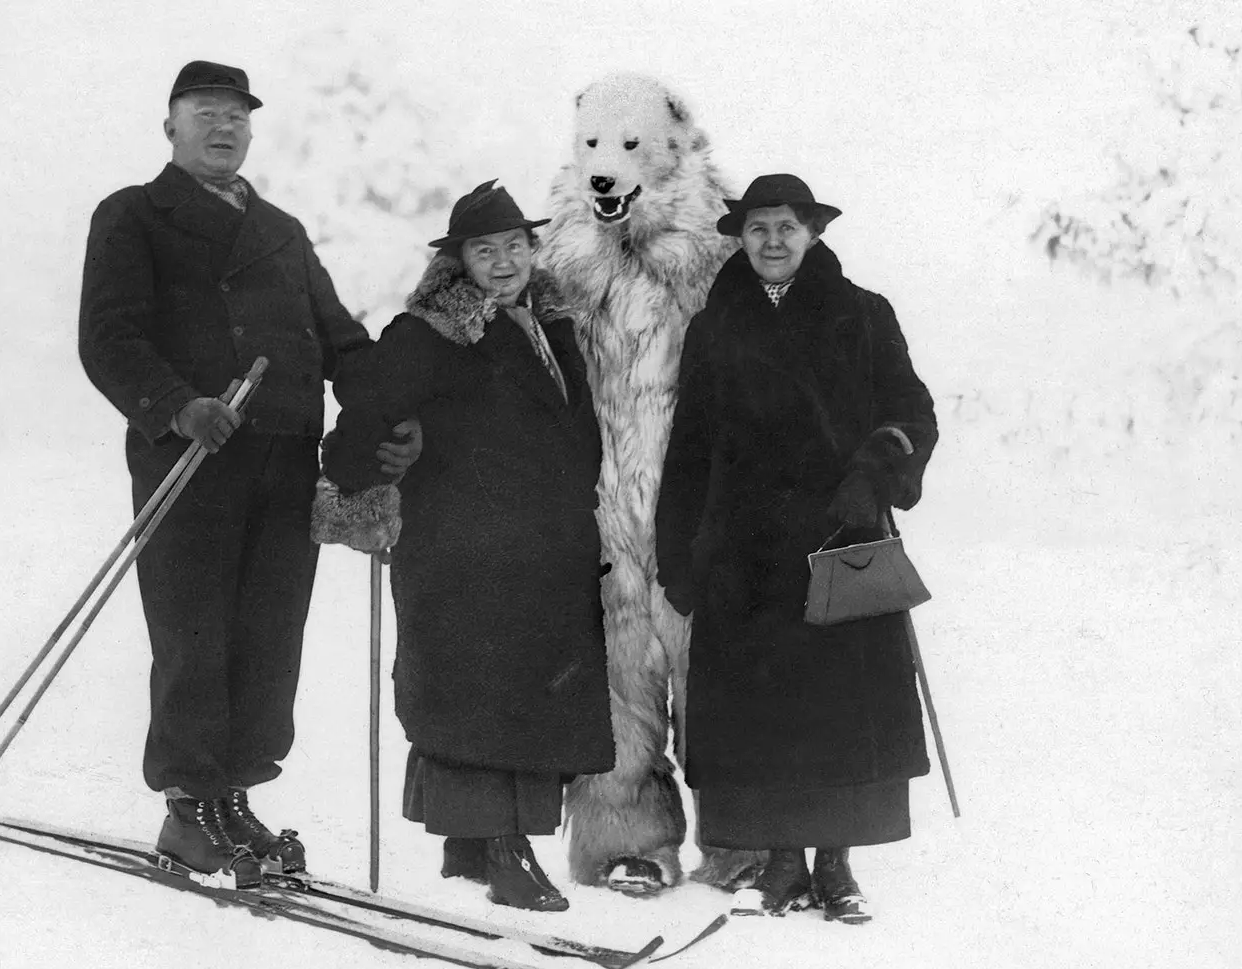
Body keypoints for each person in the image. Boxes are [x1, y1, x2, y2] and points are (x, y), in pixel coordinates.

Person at [78, 60, 420, 882]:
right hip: (192, 462)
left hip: (282, 465)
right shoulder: (133, 216)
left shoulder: (281, 231)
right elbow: (109, 338)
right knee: (195, 633)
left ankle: (233, 795)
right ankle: (189, 809)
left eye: (236, 115)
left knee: (269, 639)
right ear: (171, 126)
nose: (222, 127)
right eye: (205, 113)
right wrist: (177, 403)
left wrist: (390, 414)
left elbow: (340, 340)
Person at [319, 181, 614, 912]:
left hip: (542, 554)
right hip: (464, 555)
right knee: (483, 697)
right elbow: (361, 422)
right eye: (486, 250)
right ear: (459, 262)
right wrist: (377, 457)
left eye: (515, 245)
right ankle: (504, 852)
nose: (505, 261)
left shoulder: (553, 325)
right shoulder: (429, 333)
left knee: (521, 698)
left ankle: (473, 847)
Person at [654, 174, 937, 923]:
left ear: (812, 233)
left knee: (839, 707)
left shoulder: (864, 315)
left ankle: (836, 867)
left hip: (838, 541)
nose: (772, 242)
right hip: (743, 552)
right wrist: (679, 548)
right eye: (757, 230)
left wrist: (879, 469)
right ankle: (780, 864)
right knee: (762, 710)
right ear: (740, 239)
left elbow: (912, 410)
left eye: (785, 227)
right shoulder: (714, 326)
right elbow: (691, 445)